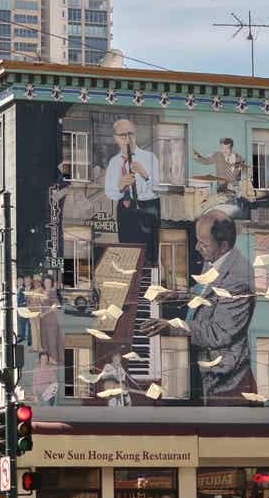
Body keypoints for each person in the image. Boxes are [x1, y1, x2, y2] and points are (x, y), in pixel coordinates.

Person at [145, 211, 255, 399]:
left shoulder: (238, 279)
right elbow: (205, 292)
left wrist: (173, 325)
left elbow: (218, 333)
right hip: (206, 362)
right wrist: (177, 295)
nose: (197, 247)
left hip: (225, 382)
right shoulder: (216, 259)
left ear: (223, 246)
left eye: (203, 243)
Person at [102, 118, 162, 262]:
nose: (128, 139)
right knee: (127, 251)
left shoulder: (150, 157)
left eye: (131, 134)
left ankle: (148, 281)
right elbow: (109, 192)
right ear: (115, 138)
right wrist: (120, 186)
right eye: (123, 135)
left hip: (148, 208)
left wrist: (145, 175)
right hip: (125, 209)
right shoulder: (114, 162)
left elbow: (159, 188)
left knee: (149, 254)